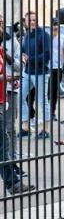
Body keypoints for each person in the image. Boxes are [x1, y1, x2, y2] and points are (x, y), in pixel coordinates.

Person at [0, 46, 35, 195]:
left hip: (2, 100)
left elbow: (12, 67)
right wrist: (7, 78)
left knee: (3, 144)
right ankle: (13, 184)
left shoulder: (1, 49)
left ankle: (13, 183)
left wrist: (9, 80)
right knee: (2, 145)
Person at [19, 12, 52, 139]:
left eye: (34, 19)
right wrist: (23, 56)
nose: (32, 22)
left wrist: (30, 59)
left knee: (42, 101)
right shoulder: (26, 36)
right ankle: (26, 127)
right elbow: (24, 52)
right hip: (27, 72)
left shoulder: (44, 35)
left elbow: (47, 55)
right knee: (20, 97)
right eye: (30, 20)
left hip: (41, 72)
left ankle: (45, 130)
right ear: (25, 22)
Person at [0, 14, 24, 176]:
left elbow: (19, 66)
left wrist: (7, 57)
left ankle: (12, 163)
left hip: (9, 89)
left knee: (9, 129)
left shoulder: (11, 42)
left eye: (1, 22)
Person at [48, 19, 64, 121]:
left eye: (57, 26)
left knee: (54, 91)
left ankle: (52, 112)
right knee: (48, 91)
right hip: (48, 67)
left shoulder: (63, 37)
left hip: (58, 67)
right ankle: (48, 112)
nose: (56, 28)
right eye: (54, 25)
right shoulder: (48, 37)